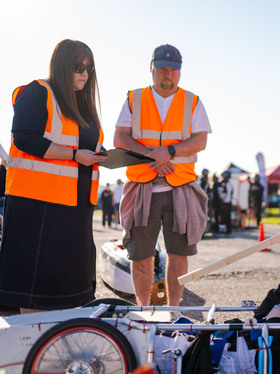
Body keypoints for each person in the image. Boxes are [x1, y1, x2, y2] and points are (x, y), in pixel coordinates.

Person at [0, 39, 107, 313]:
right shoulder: (37, 92)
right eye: (77, 67)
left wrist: (100, 154)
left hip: (76, 206)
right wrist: (74, 154)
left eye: (88, 68)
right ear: (61, 66)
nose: (84, 73)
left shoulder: (83, 107)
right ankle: (32, 346)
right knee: (34, 288)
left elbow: (80, 145)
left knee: (70, 287)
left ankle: (56, 345)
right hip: (37, 206)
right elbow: (24, 138)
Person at [114, 44, 211, 306]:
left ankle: (173, 311)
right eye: (162, 69)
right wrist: (153, 155)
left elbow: (200, 140)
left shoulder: (192, 101)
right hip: (142, 188)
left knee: (178, 255)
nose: (168, 74)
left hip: (180, 187)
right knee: (140, 256)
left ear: (180, 72)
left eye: (174, 70)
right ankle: (144, 311)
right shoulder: (134, 98)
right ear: (151, 68)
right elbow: (120, 137)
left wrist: (168, 151)